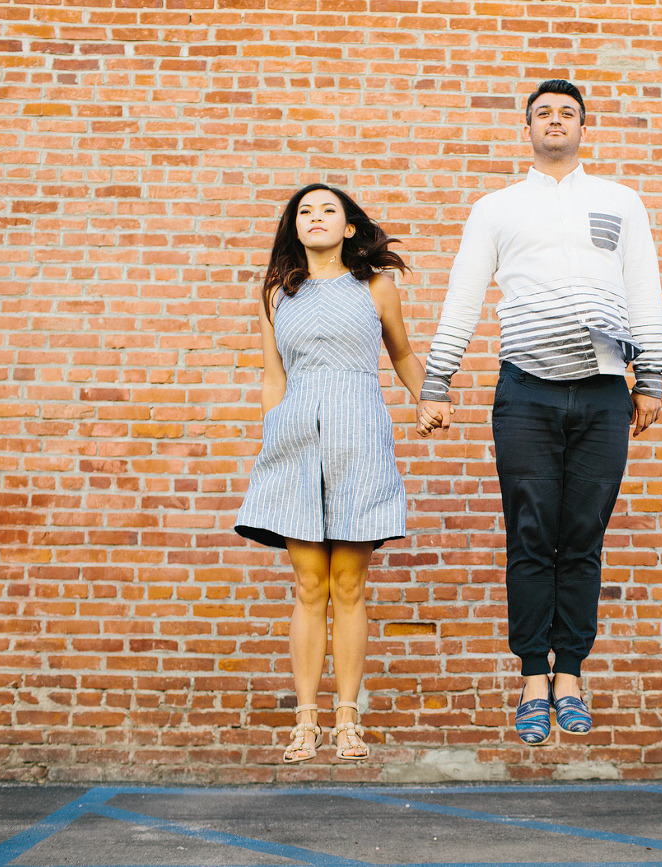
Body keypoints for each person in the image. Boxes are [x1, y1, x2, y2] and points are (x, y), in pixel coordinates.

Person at [414, 80, 662, 744]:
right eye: (543, 113)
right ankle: (533, 673)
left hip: (603, 392)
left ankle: (572, 673)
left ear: (584, 127)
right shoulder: (497, 208)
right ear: (526, 128)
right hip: (524, 390)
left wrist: (652, 378)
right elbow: (464, 294)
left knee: (581, 534)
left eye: (567, 113)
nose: (555, 121)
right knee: (531, 533)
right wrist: (437, 382)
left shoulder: (620, 201)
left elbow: (642, 284)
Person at [235, 183, 441, 763]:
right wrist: (272, 431)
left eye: (330, 210)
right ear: (294, 227)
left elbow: (401, 354)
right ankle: (305, 722)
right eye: (306, 212)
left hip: (359, 437)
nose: (317, 218)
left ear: (350, 227)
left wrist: (428, 399)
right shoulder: (277, 291)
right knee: (308, 586)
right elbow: (273, 374)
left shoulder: (376, 285)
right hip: (295, 438)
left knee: (349, 585)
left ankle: (347, 720)